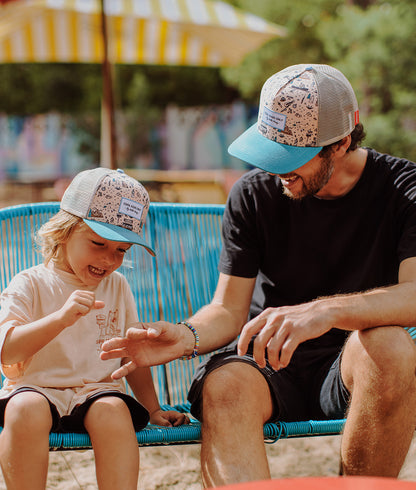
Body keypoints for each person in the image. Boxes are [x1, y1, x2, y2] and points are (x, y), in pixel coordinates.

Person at [101, 64, 416, 486]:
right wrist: (185, 336)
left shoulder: (404, 189)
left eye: (291, 156)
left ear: (341, 143)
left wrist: (325, 312)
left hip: (353, 364)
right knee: (225, 385)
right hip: (264, 362)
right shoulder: (252, 195)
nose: (275, 168)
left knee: (390, 347)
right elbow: (228, 311)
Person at [0, 168, 189, 490]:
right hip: (35, 387)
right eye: (98, 243)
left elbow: (132, 354)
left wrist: (153, 407)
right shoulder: (30, 283)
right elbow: (8, 351)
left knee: (114, 410)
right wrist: (60, 318)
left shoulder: (117, 286)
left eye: (121, 250)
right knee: (24, 409)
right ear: (64, 232)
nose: (109, 259)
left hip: (94, 390)